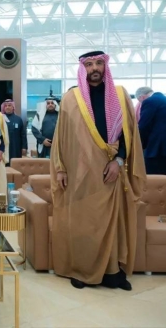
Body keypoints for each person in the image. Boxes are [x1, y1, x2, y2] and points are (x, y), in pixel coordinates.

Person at [51, 50, 145, 291]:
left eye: (99, 63)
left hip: (111, 171)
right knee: (83, 223)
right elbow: (61, 137)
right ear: (83, 68)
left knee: (112, 223)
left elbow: (128, 134)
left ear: (106, 66)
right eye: (89, 64)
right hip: (79, 173)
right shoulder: (71, 98)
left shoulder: (120, 95)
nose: (94, 68)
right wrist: (60, 169)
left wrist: (120, 160)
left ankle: (113, 272)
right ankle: (81, 270)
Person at [136, 87, 166, 176]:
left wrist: (139, 145)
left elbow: (144, 125)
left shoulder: (149, 101)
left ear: (142, 97)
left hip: (157, 148)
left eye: (140, 101)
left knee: (154, 180)